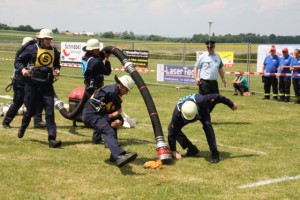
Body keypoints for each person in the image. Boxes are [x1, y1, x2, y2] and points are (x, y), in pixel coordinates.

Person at [15, 28, 62, 148]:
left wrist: (57, 69)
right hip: (33, 84)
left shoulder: (54, 51)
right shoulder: (31, 49)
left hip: (47, 85)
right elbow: (18, 60)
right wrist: (23, 69)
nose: (48, 41)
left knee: (50, 112)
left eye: (50, 39)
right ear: (41, 39)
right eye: (46, 39)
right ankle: (23, 127)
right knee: (31, 111)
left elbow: (57, 63)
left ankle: (52, 139)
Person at [82, 75, 138, 167]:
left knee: (113, 126)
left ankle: (114, 156)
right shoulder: (113, 92)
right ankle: (119, 156)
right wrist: (117, 116)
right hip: (92, 114)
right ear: (122, 86)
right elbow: (118, 110)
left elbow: (116, 112)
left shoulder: (113, 91)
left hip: (98, 113)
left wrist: (120, 121)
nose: (127, 92)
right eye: (127, 90)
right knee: (108, 131)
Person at [168, 93, 238, 163]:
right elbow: (171, 130)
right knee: (174, 128)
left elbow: (218, 97)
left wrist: (231, 104)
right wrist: (173, 151)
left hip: (202, 112)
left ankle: (214, 152)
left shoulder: (203, 100)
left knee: (207, 127)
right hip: (188, 114)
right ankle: (192, 149)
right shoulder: (177, 112)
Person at [2, 37, 46, 129]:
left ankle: (37, 121)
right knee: (18, 102)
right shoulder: (21, 54)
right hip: (20, 82)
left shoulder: (30, 53)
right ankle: (6, 122)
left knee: (37, 100)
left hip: (30, 81)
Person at [193, 40, 226, 111]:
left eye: (211, 47)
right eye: (208, 48)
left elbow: (220, 68)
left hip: (214, 82)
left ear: (214, 47)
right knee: (205, 100)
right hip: (204, 82)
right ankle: (203, 114)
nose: (209, 49)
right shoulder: (203, 56)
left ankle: (204, 113)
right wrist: (196, 78)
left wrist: (223, 79)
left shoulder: (217, 56)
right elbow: (196, 67)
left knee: (216, 99)